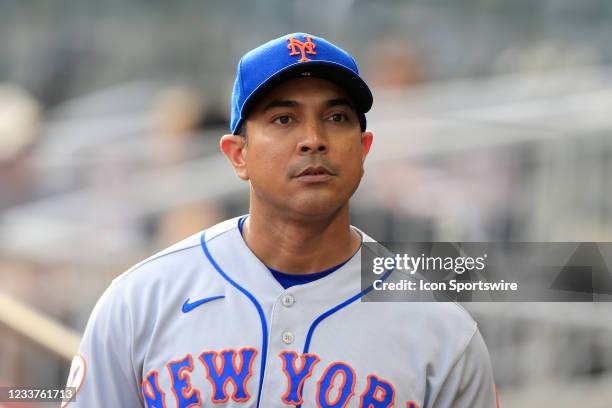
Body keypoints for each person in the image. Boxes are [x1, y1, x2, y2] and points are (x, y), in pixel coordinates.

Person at [63, 33, 499, 408]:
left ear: (363, 150)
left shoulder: (443, 332)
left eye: (336, 117)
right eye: (284, 118)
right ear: (238, 155)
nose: (313, 140)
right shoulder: (140, 300)